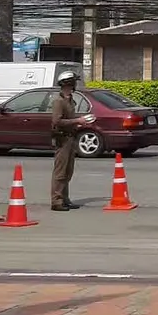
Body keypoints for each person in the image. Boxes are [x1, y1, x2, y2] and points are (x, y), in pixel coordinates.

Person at [50, 71, 93, 212]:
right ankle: (56, 201)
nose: (75, 84)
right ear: (67, 83)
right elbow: (57, 121)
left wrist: (77, 124)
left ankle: (64, 199)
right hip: (62, 139)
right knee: (60, 171)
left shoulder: (70, 99)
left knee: (68, 171)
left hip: (70, 137)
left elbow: (68, 120)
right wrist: (77, 120)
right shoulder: (59, 101)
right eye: (73, 81)